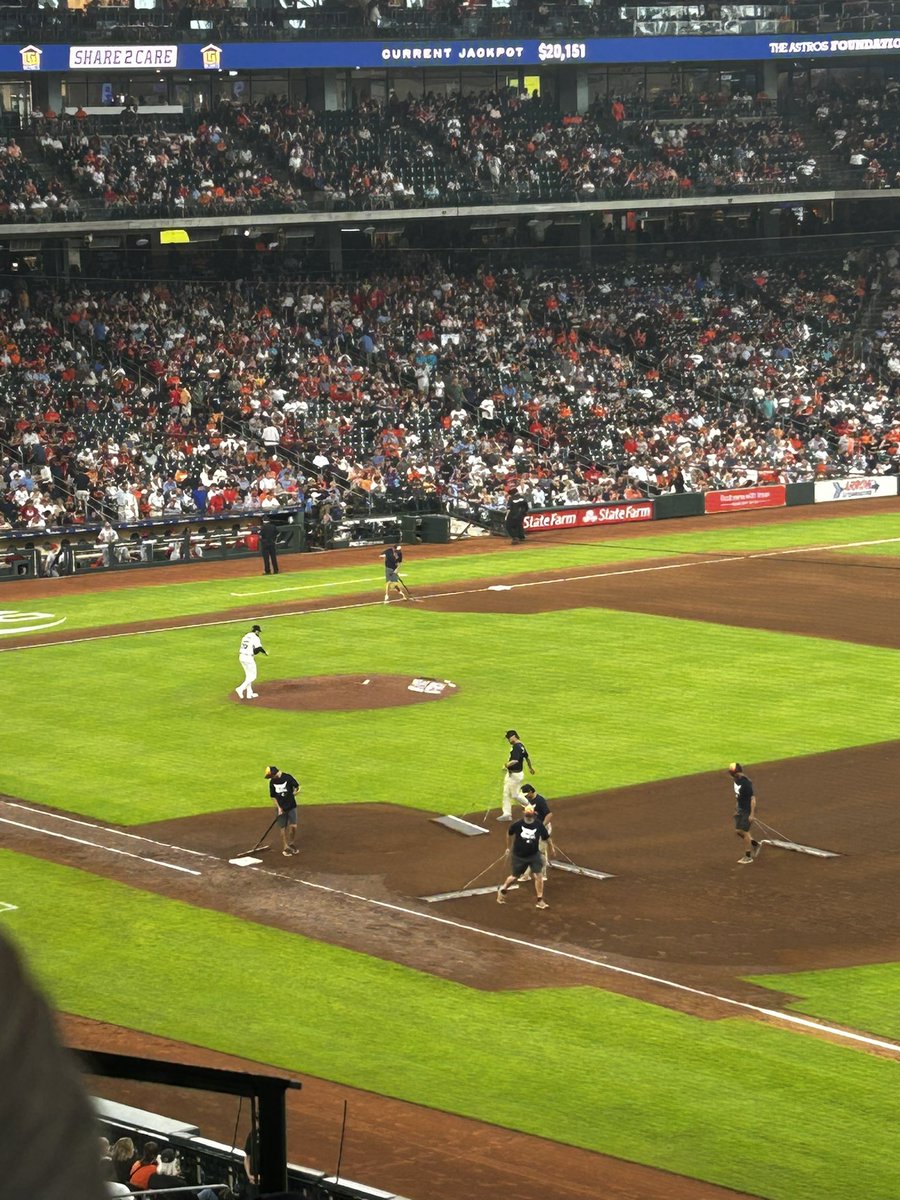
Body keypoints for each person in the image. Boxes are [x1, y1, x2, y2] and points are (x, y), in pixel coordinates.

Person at [497, 805, 550, 909]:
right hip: (519, 856)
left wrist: (551, 847)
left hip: (534, 855)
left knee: (538, 875)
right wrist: (507, 847)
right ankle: (503, 890)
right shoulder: (517, 824)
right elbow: (509, 833)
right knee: (514, 877)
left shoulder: (538, 824)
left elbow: (546, 837)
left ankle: (540, 900)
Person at [729, 762, 761, 864]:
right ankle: (755, 844)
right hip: (740, 809)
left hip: (747, 810)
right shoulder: (736, 780)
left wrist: (752, 814)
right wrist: (737, 808)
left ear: (736, 772)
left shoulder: (746, 783)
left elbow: (753, 799)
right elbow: (739, 796)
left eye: (732, 772)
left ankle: (748, 856)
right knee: (738, 831)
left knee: (743, 831)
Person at [519, 782, 553, 879]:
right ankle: (526, 874)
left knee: (540, 851)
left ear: (530, 791)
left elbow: (549, 815)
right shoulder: (527, 801)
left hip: (543, 828)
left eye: (526, 795)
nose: (526, 797)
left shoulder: (540, 800)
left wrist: (542, 826)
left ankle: (542, 874)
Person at [499, 729, 534, 821]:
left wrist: (506, 765)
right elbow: (527, 758)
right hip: (513, 774)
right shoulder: (521, 746)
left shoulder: (516, 747)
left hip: (515, 775)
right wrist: (530, 768)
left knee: (515, 795)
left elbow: (515, 760)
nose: (508, 740)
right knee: (506, 793)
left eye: (508, 738)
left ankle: (530, 806)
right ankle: (507, 814)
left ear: (513, 736)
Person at [265, 764, 300, 856]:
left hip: (291, 806)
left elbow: (297, 787)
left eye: (271, 776)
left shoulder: (288, 778)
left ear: (274, 773)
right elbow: (273, 796)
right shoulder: (272, 782)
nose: (270, 778)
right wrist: (279, 807)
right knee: (283, 827)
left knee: (293, 827)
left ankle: (291, 843)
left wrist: (295, 793)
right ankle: (285, 846)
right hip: (281, 808)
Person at [236, 624, 267, 700]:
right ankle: (240, 689)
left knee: (248, 676)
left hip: (241, 657)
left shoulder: (245, 636)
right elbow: (258, 648)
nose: (259, 633)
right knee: (253, 676)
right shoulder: (255, 637)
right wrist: (265, 652)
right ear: (256, 631)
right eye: (258, 632)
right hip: (248, 658)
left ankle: (249, 694)